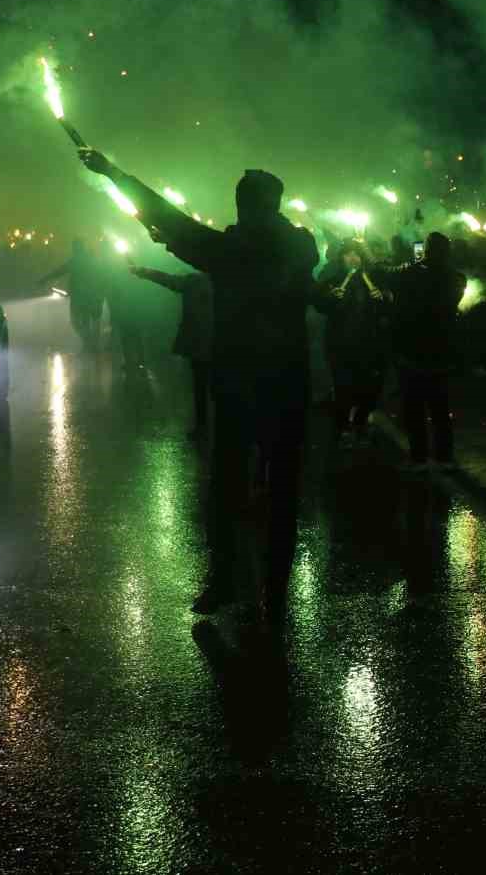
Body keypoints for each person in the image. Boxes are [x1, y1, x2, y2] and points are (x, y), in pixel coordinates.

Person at [80, 149, 318, 615]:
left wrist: (112, 172)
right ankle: (276, 591)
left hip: (238, 377)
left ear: (247, 205)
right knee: (283, 488)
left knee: (227, 483)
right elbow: (182, 230)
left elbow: (169, 218)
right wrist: (174, 237)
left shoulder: (232, 249)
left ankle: (225, 580)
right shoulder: (298, 245)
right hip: (287, 379)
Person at [379, 231, 464, 471]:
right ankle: (444, 457)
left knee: (414, 406)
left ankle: (419, 458)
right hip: (441, 348)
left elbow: (385, 274)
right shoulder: (455, 277)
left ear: (425, 249)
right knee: (440, 406)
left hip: (411, 349)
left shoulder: (409, 273)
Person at [313, 238, 390, 448]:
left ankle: (360, 424)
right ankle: (343, 429)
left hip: (368, 344)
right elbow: (319, 302)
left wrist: (383, 298)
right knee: (343, 389)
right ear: (341, 257)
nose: (353, 258)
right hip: (341, 345)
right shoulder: (333, 277)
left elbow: (387, 306)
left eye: (356, 253)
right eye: (348, 254)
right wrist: (329, 298)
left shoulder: (372, 277)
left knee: (368, 389)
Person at [131, 265, 215, 439]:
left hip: (199, 342)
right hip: (224, 343)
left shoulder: (194, 281)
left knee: (199, 385)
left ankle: (202, 426)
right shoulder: (231, 280)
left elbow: (169, 280)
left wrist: (143, 271)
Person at [39, 239, 106, 353]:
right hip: (90, 296)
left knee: (77, 321)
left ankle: (88, 344)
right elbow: (101, 276)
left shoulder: (76, 261)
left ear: (76, 248)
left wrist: (44, 279)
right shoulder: (91, 260)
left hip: (79, 297)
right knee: (87, 321)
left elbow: (59, 271)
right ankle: (91, 345)